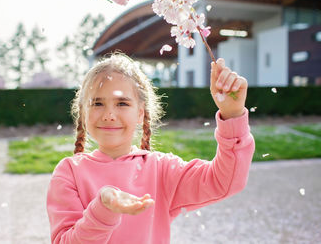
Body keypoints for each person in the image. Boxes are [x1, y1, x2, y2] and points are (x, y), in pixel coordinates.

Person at [46, 53, 255, 243]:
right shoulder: (69, 173)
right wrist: (103, 210)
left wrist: (233, 114)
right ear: (83, 113)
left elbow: (224, 182)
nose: (109, 114)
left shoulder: (162, 170)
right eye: (97, 103)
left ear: (140, 113)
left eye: (122, 104)